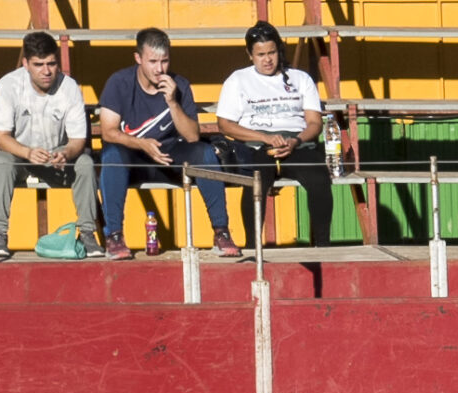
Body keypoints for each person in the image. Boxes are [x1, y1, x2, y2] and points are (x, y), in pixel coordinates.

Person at [97, 28, 235, 261]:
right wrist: (142, 144)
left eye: (164, 61)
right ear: (138, 58)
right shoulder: (119, 82)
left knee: (204, 152)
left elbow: (192, 136)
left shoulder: (179, 84)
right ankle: (114, 236)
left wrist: (172, 102)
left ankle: (221, 232)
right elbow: (108, 132)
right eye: (152, 61)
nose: (160, 69)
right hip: (133, 155)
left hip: (170, 155)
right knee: (111, 155)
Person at [213, 22, 332, 249]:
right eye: (260, 55)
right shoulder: (238, 80)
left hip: (296, 143)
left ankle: (323, 246)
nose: (267, 60)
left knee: (319, 179)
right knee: (255, 182)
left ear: (279, 51)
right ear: (250, 55)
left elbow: (315, 122)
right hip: (257, 145)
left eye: (271, 53)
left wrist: (296, 141)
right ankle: (252, 246)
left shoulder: (301, 79)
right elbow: (225, 125)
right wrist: (265, 138)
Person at [0, 31, 95, 260]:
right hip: (12, 151)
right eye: (38, 64)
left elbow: (77, 141)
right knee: (3, 161)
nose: (46, 71)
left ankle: (87, 234)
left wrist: (66, 153)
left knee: (85, 162)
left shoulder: (70, 87)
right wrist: (27, 152)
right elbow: (1, 137)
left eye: (52, 63)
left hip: (52, 153)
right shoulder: (9, 84)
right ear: (26, 64)